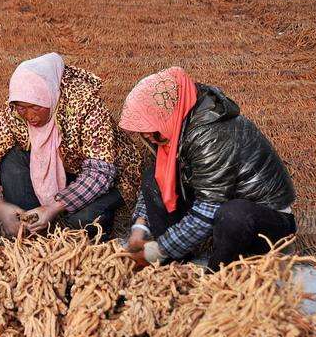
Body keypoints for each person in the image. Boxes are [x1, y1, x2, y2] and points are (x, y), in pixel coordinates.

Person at [120, 67, 296, 271]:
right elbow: (158, 180)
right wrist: (139, 228)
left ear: (165, 114)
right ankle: (171, 260)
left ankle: (216, 274)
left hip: (264, 221)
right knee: (153, 177)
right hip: (219, 206)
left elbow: (209, 207)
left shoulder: (211, 134)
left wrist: (156, 250)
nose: (146, 135)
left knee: (234, 215)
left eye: (149, 127)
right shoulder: (176, 126)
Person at [0, 53, 142, 239]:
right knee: (12, 158)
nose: (30, 116)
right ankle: (30, 224)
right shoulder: (13, 111)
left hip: (109, 178)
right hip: (67, 167)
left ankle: (72, 222)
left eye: (36, 107)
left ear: (51, 95)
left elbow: (100, 172)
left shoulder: (85, 105)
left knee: (82, 222)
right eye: (23, 108)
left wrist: (53, 207)